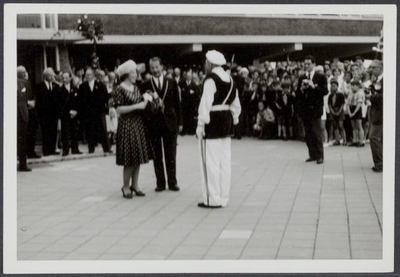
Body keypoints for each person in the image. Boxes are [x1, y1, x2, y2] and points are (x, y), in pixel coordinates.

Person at [196, 50, 241, 208]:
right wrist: (234, 118)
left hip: (213, 121)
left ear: (209, 64)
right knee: (224, 162)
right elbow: (236, 104)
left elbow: (205, 103)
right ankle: (224, 197)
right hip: (226, 119)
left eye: (205, 63)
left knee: (211, 162)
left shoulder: (210, 79)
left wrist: (201, 124)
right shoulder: (230, 79)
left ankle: (212, 198)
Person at [140, 57, 182, 192]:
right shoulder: (145, 85)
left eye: (157, 67)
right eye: (152, 68)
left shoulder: (172, 82)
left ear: (162, 67)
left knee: (171, 154)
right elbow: (145, 107)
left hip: (170, 122)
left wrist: (180, 123)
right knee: (157, 155)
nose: (155, 70)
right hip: (154, 124)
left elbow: (177, 103)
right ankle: (160, 183)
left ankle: (172, 182)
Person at [114, 60, 154, 198]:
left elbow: (140, 102)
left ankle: (135, 185)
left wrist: (147, 100)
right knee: (129, 158)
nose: (136, 74)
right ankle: (125, 186)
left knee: (137, 157)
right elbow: (118, 108)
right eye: (133, 72)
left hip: (137, 124)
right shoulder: (120, 89)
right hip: (127, 125)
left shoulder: (135, 87)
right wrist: (137, 106)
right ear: (126, 74)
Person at [297, 55, 328, 164]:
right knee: (308, 133)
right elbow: (298, 94)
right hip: (305, 109)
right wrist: (301, 89)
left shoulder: (320, 76)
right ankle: (312, 154)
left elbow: (325, 91)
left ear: (314, 64)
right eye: (305, 63)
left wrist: (313, 86)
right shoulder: (301, 77)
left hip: (315, 109)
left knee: (317, 133)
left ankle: (320, 156)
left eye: (309, 63)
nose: (306, 65)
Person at [79, 68, 112, 154]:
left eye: (89, 74)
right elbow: (81, 100)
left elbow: (106, 97)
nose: (88, 76)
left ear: (93, 75)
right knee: (90, 130)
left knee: (103, 130)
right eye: (86, 75)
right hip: (88, 112)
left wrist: (106, 108)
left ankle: (107, 148)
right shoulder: (82, 86)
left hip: (99, 111)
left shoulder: (100, 85)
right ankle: (91, 149)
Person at [36, 67, 60, 156]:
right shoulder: (39, 86)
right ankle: (46, 150)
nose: (52, 77)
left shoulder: (55, 86)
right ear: (45, 76)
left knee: (53, 132)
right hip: (44, 115)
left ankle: (52, 149)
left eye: (52, 75)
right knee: (45, 132)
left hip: (54, 114)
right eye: (50, 75)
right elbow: (39, 102)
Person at [58, 72, 82, 156]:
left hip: (74, 114)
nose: (64, 79)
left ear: (70, 78)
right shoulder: (60, 90)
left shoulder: (75, 89)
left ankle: (75, 149)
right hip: (65, 115)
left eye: (66, 78)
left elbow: (79, 102)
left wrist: (76, 111)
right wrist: (68, 111)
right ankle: (66, 150)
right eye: (63, 78)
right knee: (65, 133)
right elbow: (60, 104)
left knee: (74, 131)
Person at [366, 60, 383, 172]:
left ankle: (379, 163)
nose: (371, 69)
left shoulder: (384, 80)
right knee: (378, 138)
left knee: (374, 137)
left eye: (373, 67)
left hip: (380, 113)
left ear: (380, 68)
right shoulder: (376, 80)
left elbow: (383, 96)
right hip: (375, 111)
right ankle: (380, 162)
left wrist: (371, 97)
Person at [17, 66, 31, 171]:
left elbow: (28, 98)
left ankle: (22, 164)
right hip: (16, 114)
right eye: (24, 72)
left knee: (23, 140)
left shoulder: (25, 83)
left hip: (22, 115)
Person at [180, 70, 200, 135]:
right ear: (185, 77)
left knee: (190, 118)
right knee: (184, 117)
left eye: (190, 76)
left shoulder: (194, 84)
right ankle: (184, 131)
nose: (188, 77)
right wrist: (189, 92)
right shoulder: (181, 83)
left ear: (191, 77)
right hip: (184, 104)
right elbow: (181, 93)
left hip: (191, 104)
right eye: (187, 76)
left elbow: (196, 94)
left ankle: (191, 130)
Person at [328, 78, 346, 146]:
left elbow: (342, 104)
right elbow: (329, 104)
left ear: (337, 86)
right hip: (333, 110)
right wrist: (332, 112)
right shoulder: (330, 96)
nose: (332, 87)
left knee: (341, 125)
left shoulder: (340, 95)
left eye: (334, 86)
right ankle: (337, 140)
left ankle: (344, 140)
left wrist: (339, 111)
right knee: (335, 125)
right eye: (331, 86)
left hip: (339, 110)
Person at [348, 78, 365, 147]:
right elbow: (348, 103)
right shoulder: (351, 93)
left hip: (357, 110)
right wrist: (349, 112)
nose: (352, 87)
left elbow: (359, 104)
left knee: (359, 126)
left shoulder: (360, 93)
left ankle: (361, 141)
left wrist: (354, 113)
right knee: (354, 126)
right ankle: (355, 140)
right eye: (351, 85)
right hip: (351, 108)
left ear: (358, 86)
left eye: (353, 85)